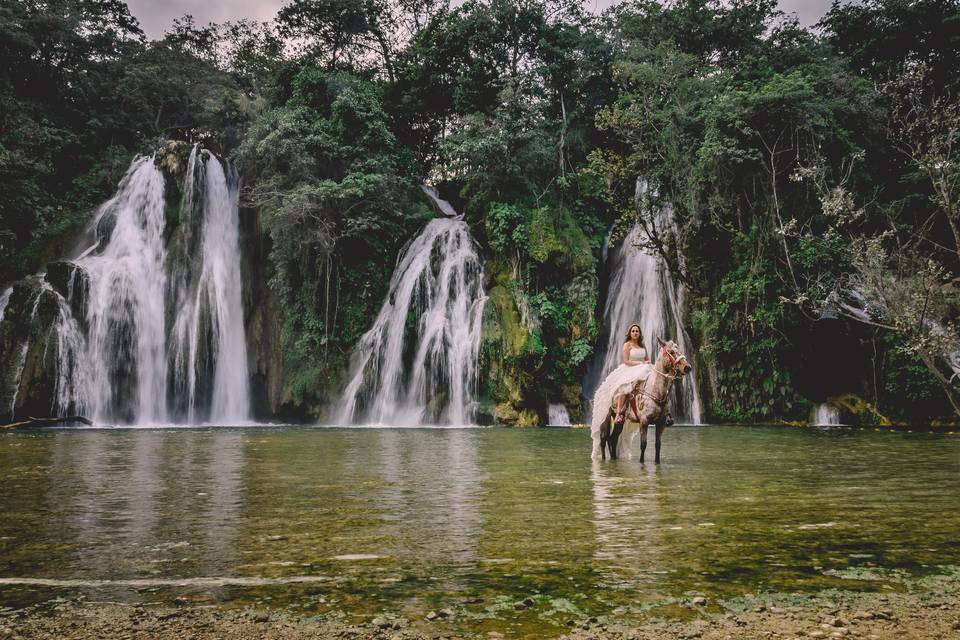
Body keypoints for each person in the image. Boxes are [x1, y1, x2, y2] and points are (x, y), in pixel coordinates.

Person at [590, 324, 653, 438]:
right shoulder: (627, 345)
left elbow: (647, 359)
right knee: (624, 387)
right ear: (630, 333)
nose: (635, 333)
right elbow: (626, 361)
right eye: (633, 331)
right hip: (630, 369)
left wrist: (647, 364)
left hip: (643, 369)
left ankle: (662, 411)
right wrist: (641, 364)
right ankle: (619, 413)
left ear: (639, 333)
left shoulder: (643, 346)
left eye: (637, 331)